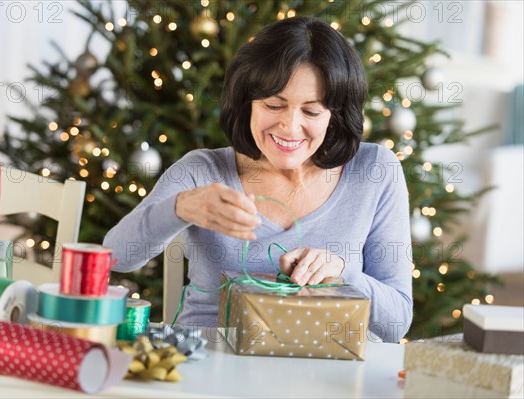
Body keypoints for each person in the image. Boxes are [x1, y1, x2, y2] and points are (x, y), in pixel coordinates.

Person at [104, 16, 413, 343]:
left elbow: (396, 325)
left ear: (334, 117)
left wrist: (343, 272)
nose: (290, 127)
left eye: (311, 111)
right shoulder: (202, 170)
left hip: (328, 372)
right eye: (274, 105)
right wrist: (180, 208)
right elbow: (116, 256)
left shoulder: (375, 170)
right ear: (247, 103)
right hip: (213, 366)